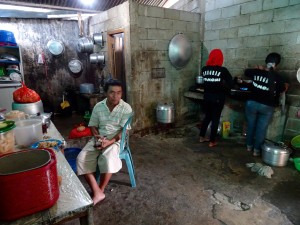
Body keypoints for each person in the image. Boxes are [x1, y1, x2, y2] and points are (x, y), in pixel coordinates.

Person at [76, 79, 132, 205]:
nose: (116, 96)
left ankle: (100, 190)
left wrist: (110, 142)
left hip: (117, 140)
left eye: (119, 92)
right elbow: (93, 126)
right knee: (81, 159)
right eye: (112, 92)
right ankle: (97, 191)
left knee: (107, 158)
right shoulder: (98, 106)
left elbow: (124, 131)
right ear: (106, 93)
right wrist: (98, 138)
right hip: (100, 137)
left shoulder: (126, 108)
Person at [244, 52, 287, 157]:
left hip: (252, 103)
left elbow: (246, 72)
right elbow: (282, 89)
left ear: (266, 62)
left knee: (250, 126)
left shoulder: (256, 72)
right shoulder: (278, 78)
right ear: (276, 64)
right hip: (267, 107)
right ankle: (256, 151)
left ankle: (249, 146)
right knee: (261, 129)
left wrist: (260, 68)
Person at [199, 49, 233, 147]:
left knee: (207, 117)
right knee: (215, 119)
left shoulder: (204, 69)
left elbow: (205, 82)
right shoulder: (223, 70)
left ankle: (201, 137)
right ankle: (212, 141)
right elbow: (231, 84)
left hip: (206, 97)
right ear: (220, 58)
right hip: (218, 98)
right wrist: (223, 86)